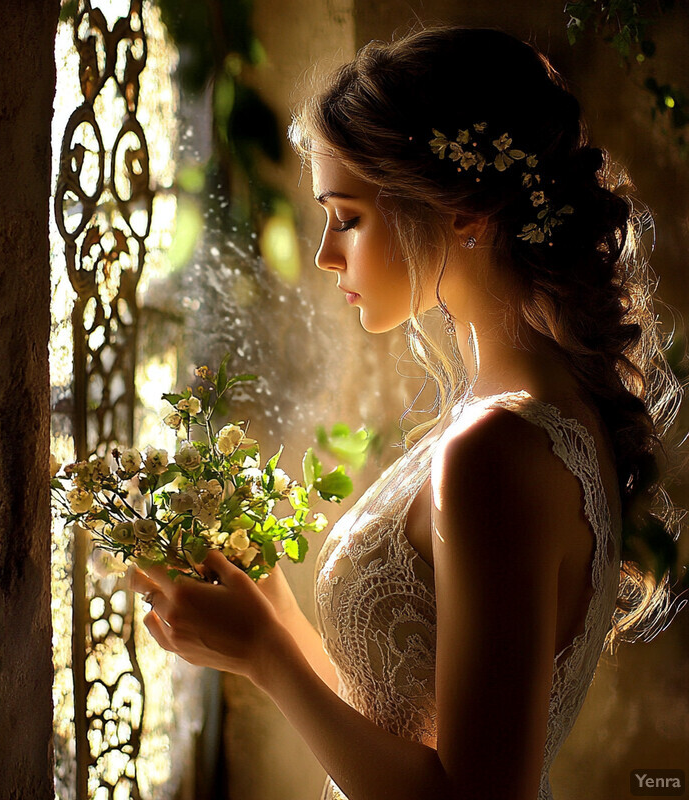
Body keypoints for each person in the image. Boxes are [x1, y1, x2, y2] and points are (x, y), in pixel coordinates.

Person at [130, 26, 684, 800]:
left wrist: (268, 660)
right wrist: (273, 622)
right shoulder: (529, 409)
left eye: (348, 217)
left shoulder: (497, 449)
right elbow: (401, 738)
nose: (327, 254)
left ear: (464, 213)